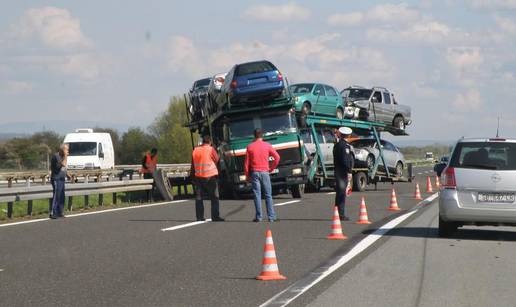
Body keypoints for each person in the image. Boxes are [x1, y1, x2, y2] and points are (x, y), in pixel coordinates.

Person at [244, 128, 280, 222]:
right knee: (268, 195)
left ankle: (259, 217)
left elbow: (246, 163)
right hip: (265, 172)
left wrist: (247, 176)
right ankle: (271, 217)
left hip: (254, 172)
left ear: (254, 136)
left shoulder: (250, 147)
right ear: (262, 135)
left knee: (257, 195)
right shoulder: (267, 145)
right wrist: (271, 168)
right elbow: (277, 157)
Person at [190, 135, 224, 222]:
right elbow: (217, 160)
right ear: (210, 142)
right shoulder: (211, 149)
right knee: (214, 196)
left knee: (199, 197)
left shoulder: (195, 150)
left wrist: (192, 176)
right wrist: (219, 172)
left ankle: (199, 217)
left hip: (198, 177)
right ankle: (215, 216)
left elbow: (193, 165)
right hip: (210, 176)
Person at [333, 127, 354, 221]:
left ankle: (337, 212)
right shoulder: (345, 146)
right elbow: (345, 160)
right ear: (349, 135)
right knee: (342, 194)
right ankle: (341, 214)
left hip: (337, 170)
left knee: (339, 193)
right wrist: (349, 170)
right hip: (343, 172)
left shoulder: (337, 145)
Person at [50, 144, 69, 219]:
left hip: (62, 178)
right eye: (66, 150)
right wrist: (65, 155)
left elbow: (63, 167)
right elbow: (63, 164)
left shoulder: (63, 157)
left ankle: (60, 212)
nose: (68, 151)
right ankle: (53, 212)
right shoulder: (56, 156)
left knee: (62, 196)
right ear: (62, 150)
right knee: (56, 195)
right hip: (56, 178)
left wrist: (67, 174)